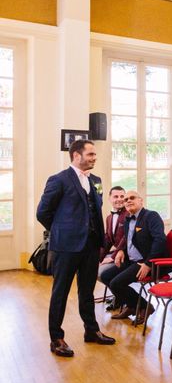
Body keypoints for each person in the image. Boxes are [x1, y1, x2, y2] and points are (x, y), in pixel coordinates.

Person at [36, 139, 115, 357]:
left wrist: (101, 242)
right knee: (60, 292)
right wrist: (61, 230)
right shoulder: (58, 180)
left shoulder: (96, 181)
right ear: (76, 156)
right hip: (66, 247)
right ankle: (56, 338)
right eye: (90, 154)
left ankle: (91, 330)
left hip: (91, 246)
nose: (94, 158)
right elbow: (42, 212)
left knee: (87, 291)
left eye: (95, 154)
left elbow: (96, 210)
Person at [102, 190, 167, 326]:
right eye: (126, 200)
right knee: (105, 276)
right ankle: (132, 306)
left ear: (141, 201)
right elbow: (129, 240)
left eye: (132, 198)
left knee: (116, 283)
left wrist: (148, 263)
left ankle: (145, 306)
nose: (128, 201)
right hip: (133, 261)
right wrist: (121, 250)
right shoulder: (128, 220)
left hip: (150, 263)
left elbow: (160, 241)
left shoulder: (151, 216)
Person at [99, 186, 127, 298]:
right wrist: (99, 258)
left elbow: (127, 237)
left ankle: (124, 300)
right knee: (95, 270)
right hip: (117, 255)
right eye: (116, 196)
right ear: (109, 199)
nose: (119, 199)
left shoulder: (129, 214)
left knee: (105, 274)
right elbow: (107, 240)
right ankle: (119, 299)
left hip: (127, 256)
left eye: (122, 196)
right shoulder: (109, 218)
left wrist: (112, 257)